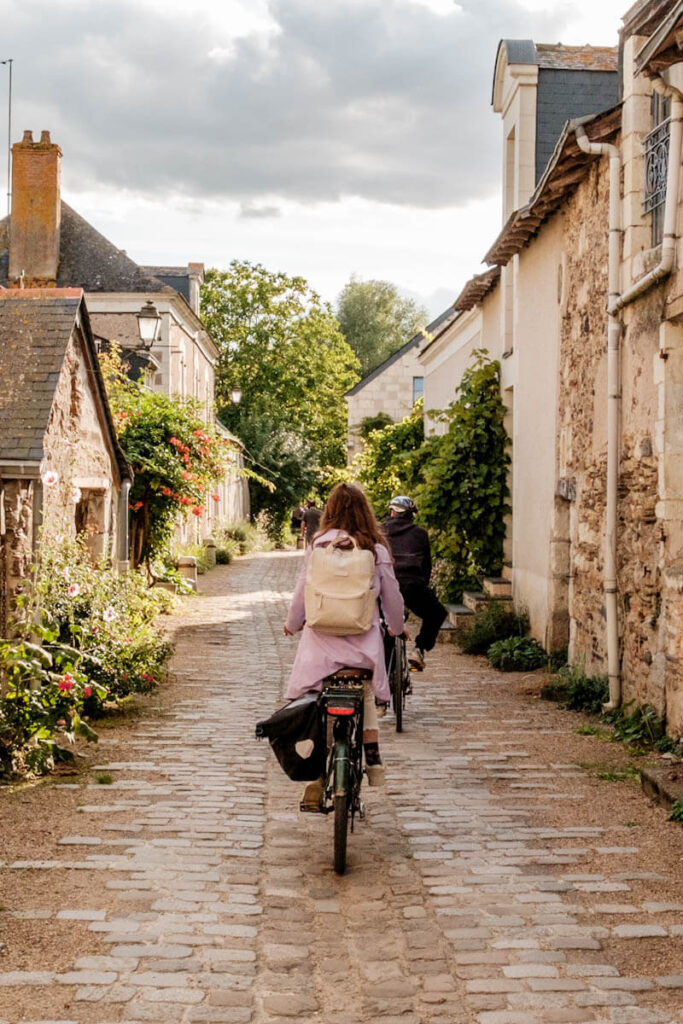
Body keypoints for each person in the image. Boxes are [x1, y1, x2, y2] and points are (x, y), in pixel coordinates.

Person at [283, 483, 405, 806]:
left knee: (316, 702)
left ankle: (317, 775)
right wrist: (397, 627)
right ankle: (372, 754)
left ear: (330, 511)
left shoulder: (318, 546)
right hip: (363, 652)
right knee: (363, 692)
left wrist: (292, 624)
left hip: (319, 652)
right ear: (365, 511)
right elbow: (392, 598)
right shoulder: (375, 549)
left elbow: (302, 592)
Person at [382, 495, 447, 671]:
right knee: (437, 613)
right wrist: (422, 587)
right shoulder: (420, 534)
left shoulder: (378, 532)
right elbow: (426, 567)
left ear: (392, 512)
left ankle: (384, 666)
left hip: (384, 586)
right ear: (411, 516)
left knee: (381, 620)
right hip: (412, 585)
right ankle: (419, 648)